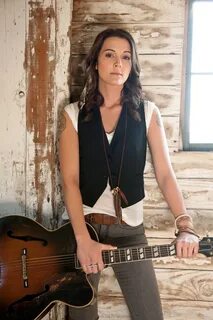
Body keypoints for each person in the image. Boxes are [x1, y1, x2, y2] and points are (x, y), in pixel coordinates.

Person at [59, 28, 199, 320]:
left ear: (132, 65)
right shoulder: (73, 114)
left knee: (150, 316)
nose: (118, 63)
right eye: (110, 55)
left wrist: (184, 225)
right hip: (82, 230)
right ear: (95, 61)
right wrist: (82, 240)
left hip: (130, 233)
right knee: (82, 318)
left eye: (126, 57)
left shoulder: (148, 113)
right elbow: (70, 181)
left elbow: (165, 173)